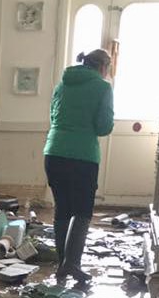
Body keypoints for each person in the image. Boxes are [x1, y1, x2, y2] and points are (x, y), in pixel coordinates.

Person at [44, 49, 114, 283]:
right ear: (103, 67)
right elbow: (103, 127)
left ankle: (63, 262)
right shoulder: (103, 88)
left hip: (54, 153)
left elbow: (54, 117)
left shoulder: (62, 84)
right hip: (83, 157)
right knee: (82, 212)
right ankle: (72, 264)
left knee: (62, 209)